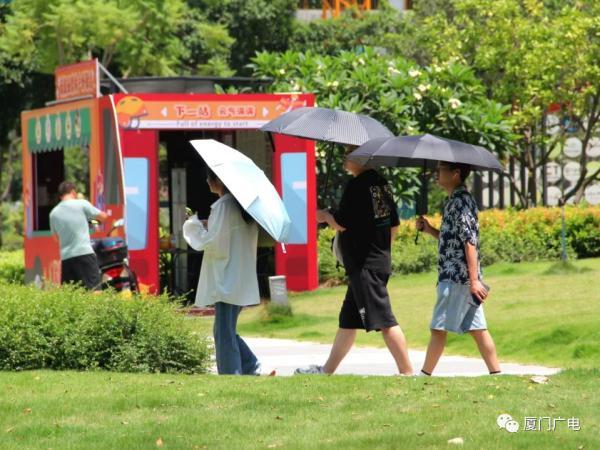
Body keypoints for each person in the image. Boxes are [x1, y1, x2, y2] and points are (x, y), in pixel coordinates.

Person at [295, 153, 413, 375]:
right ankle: (327, 370)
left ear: (363, 159)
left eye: (350, 153)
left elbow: (342, 223)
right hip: (373, 263)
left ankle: (407, 373)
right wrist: (382, 250)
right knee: (348, 320)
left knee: (385, 320)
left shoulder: (357, 185)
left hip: (365, 265)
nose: (345, 157)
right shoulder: (380, 184)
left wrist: (324, 216)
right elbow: (393, 225)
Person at [415, 161, 501, 376]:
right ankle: (496, 374)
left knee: (438, 327)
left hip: (456, 278)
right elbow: (452, 239)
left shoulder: (460, 202)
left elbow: (469, 242)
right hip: (462, 277)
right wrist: (429, 229)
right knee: (478, 329)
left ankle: (424, 376)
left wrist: (474, 281)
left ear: (455, 174)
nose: (436, 174)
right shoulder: (456, 200)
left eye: (440, 170)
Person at [183, 168, 265, 376]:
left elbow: (212, 242)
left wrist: (192, 225)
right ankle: (250, 366)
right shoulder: (241, 205)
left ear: (219, 179)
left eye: (209, 177)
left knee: (223, 331)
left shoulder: (223, 205)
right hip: (240, 275)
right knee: (225, 329)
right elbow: (226, 233)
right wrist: (208, 225)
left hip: (226, 277)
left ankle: (232, 375)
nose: (207, 181)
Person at [49, 181, 108, 290]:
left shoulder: (53, 214)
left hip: (66, 259)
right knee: (95, 291)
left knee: (72, 294)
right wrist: (93, 221)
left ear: (60, 196)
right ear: (73, 192)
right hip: (84, 254)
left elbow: (55, 238)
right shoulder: (82, 204)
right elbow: (103, 218)